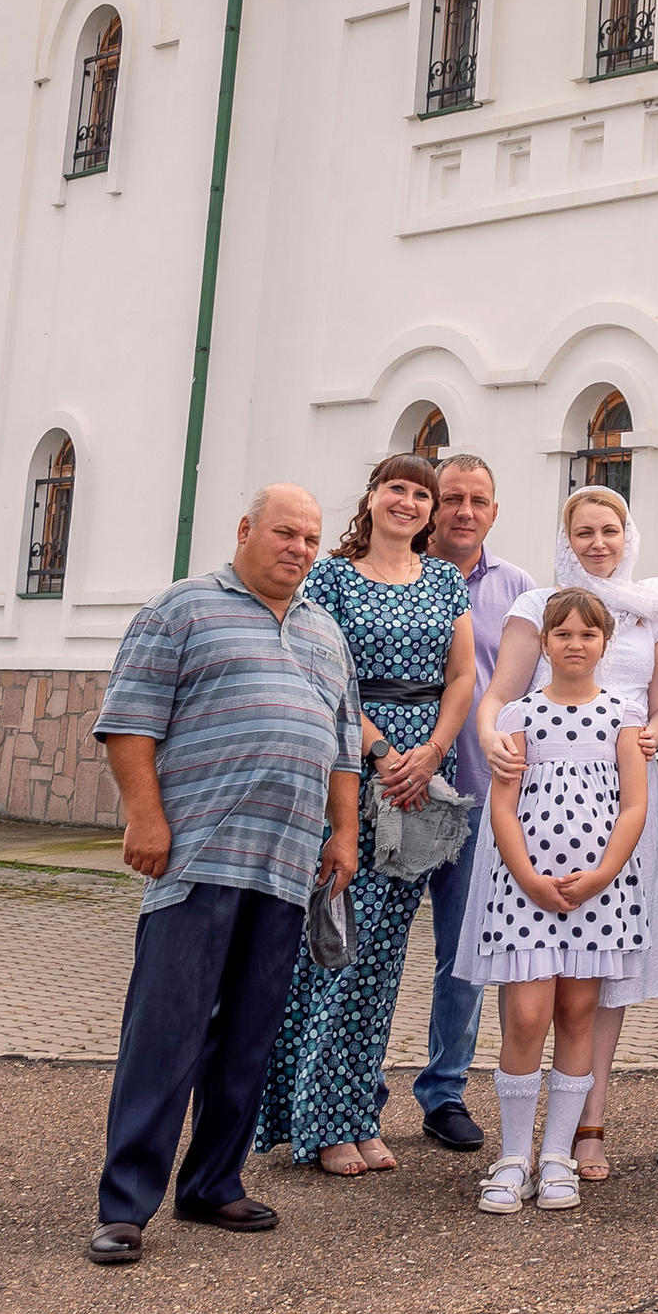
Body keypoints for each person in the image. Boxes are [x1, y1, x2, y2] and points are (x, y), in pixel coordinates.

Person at [87, 485, 362, 1269]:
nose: (299, 549)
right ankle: (125, 1205)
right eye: (285, 532)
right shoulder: (180, 610)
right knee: (165, 1033)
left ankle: (212, 1181)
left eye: (311, 538)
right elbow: (131, 719)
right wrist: (145, 817)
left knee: (246, 1036)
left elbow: (344, 743)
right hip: (198, 858)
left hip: (286, 866)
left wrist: (342, 831)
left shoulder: (322, 631)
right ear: (244, 530)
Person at [253, 454, 475, 1180]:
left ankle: (358, 1116)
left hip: (421, 781)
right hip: (354, 773)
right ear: (373, 498)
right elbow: (324, 674)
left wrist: (432, 750)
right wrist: (382, 753)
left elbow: (463, 674)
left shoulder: (445, 579)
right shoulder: (332, 577)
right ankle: (319, 1123)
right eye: (397, 488)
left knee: (382, 959)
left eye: (422, 493)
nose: (408, 502)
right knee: (337, 950)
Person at [465, 487, 658, 1183]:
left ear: (628, 533)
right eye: (583, 531)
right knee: (533, 994)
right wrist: (490, 739)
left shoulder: (647, 609)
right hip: (536, 808)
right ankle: (519, 1147)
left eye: (609, 529)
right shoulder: (540, 608)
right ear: (567, 539)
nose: (597, 542)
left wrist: (648, 739)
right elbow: (499, 693)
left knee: (594, 989)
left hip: (618, 807)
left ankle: (585, 1128)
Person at [412, 453, 533, 1155]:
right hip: (399, 792)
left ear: (494, 509)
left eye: (476, 499)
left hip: (481, 798)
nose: (463, 509)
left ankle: (444, 1090)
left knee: (464, 953)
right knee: (371, 950)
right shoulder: (399, 576)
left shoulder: (518, 588)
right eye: (451, 497)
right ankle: (354, 1089)